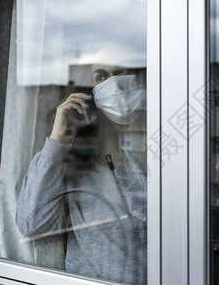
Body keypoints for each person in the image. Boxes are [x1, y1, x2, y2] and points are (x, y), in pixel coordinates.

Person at [16, 75, 147, 284]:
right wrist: (57, 138)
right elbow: (32, 224)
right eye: (102, 76)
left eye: (120, 71)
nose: (113, 85)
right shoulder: (75, 167)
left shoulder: (158, 154)